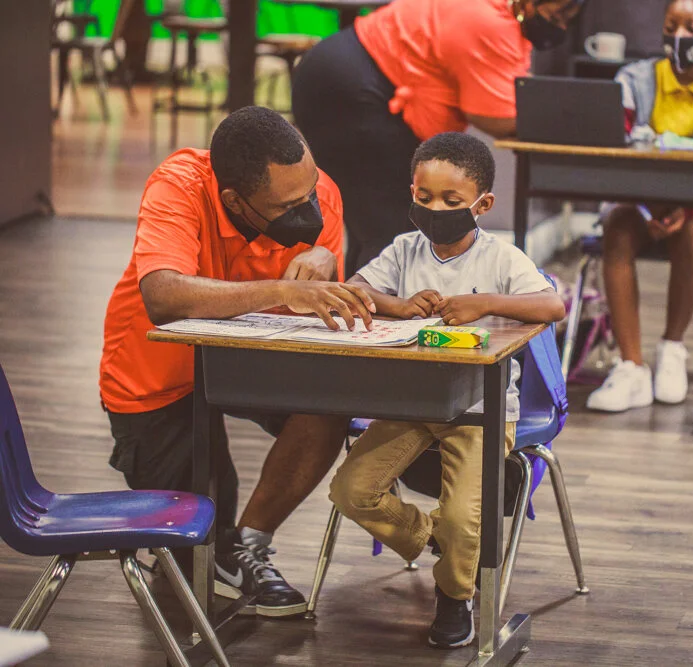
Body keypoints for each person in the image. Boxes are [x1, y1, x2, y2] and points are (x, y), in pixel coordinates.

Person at [100, 106, 376, 617]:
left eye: (310, 192)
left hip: (257, 359)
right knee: (192, 539)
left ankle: (248, 545)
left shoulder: (315, 189)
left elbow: (328, 294)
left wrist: (329, 261)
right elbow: (163, 295)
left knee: (326, 407)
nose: (309, 207)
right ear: (234, 201)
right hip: (157, 371)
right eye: (288, 205)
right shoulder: (179, 185)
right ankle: (217, 552)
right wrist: (280, 290)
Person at [329, 132, 565, 649]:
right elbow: (357, 288)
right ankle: (442, 543)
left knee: (463, 515)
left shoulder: (501, 258)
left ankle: (455, 594)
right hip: (412, 403)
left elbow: (552, 306)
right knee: (352, 490)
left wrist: (486, 303)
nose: (435, 210)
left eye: (451, 200)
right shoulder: (405, 249)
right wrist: (397, 305)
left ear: (483, 205)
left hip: (481, 408)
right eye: (424, 197)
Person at [292, 0, 587, 275]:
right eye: (555, 16)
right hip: (352, 88)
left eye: (567, 20)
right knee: (390, 229)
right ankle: (377, 312)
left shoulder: (499, 15)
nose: (560, 27)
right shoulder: (488, 22)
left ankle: (363, 307)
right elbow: (495, 116)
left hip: (346, 74)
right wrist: (559, 125)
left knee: (376, 228)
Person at [586, 0, 693, 413]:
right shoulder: (632, 80)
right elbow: (616, 150)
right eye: (671, 25)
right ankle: (632, 367)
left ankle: (672, 349)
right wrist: (647, 210)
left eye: (691, 28)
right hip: (636, 200)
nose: (679, 37)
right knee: (617, 230)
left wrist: (685, 208)